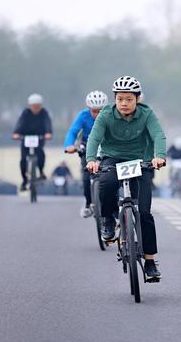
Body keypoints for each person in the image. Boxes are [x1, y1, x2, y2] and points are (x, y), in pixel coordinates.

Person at [86, 76, 166, 279]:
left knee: (145, 213)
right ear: (115, 99)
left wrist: (159, 156)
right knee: (106, 183)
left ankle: (149, 262)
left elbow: (158, 135)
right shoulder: (106, 114)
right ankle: (108, 219)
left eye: (129, 99)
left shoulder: (147, 114)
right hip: (113, 158)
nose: (124, 103)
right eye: (120, 99)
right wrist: (92, 159)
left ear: (137, 99)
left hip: (141, 161)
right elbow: (94, 137)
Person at [64, 90, 109, 217]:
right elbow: (73, 131)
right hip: (87, 145)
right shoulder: (83, 115)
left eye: (100, 111)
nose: (97, 114)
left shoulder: (111, 115)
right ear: (89, 108)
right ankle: (89, 203)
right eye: (94, 111)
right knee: (85, 176)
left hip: (106, 145)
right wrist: (69, 145)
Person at [12, 94, 53, 191]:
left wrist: (48, 133)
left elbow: (47, 122)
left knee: (40, 154)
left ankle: (41, 171)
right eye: (34, 107)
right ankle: (25, 180)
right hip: (25, 138)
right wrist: (16, 133)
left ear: (41, 106)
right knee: (23, 159)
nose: (36, 109)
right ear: (30, 106)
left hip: (39, 138)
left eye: (38, 106)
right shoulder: (25, 113)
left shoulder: (44, 113)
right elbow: (20, 123)